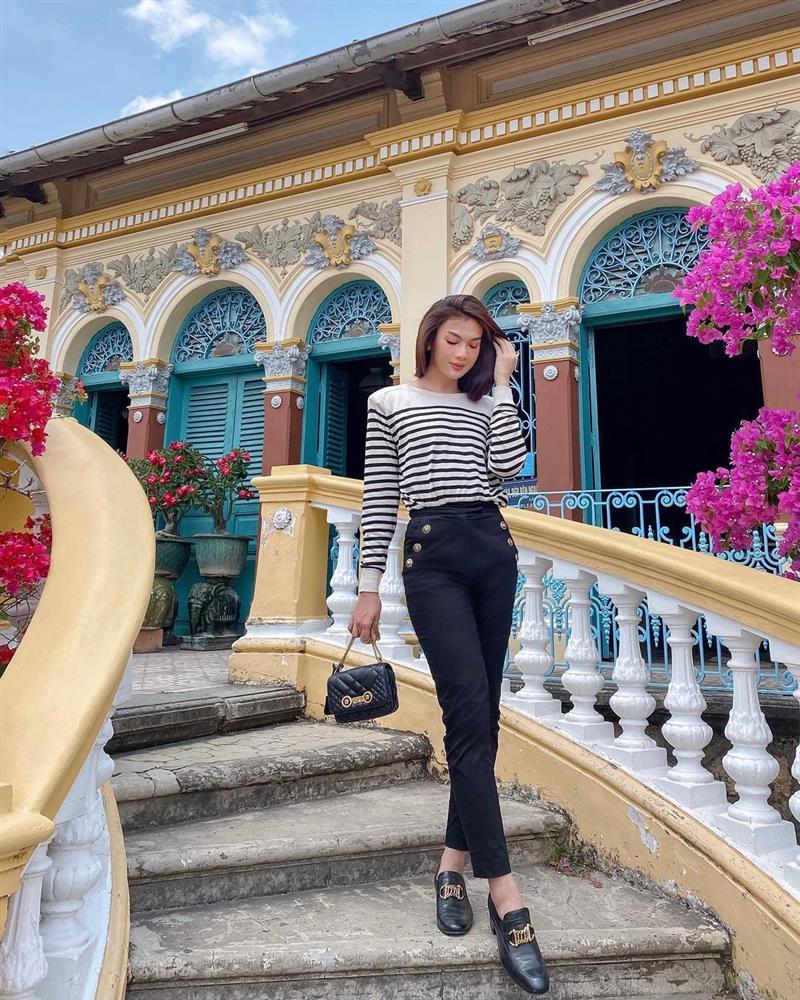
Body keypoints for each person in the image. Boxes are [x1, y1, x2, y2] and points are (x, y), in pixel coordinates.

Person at [347, 294, 549, 995]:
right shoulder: (389, 402)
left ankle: (450, 866)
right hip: (431, 559)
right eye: (453, 340)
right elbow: (380, 496)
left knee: (480, 720)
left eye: (476, 345)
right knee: (465, 709)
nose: (463, 354)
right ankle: (508, 898)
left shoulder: (486, 399)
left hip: (492, 550)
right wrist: (368, 586)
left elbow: (511, 466)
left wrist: (504, 385)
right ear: (430, 338)